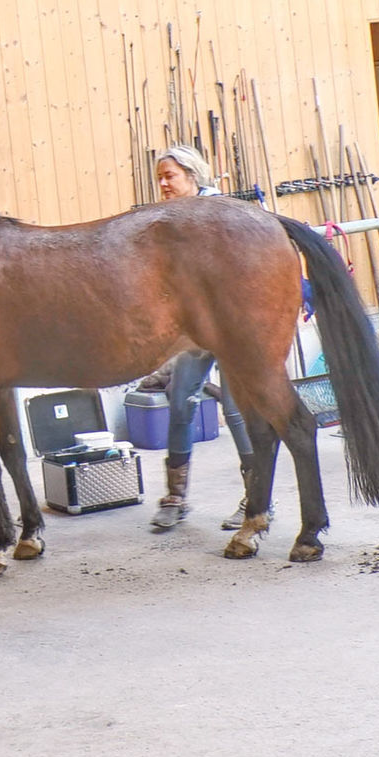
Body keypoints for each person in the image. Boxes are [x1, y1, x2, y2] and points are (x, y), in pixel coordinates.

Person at [147, 144, 261, 533]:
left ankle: (257, 498)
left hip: (229, 328)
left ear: (193, 177)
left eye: (170, 176)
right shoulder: (170, 218)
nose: (163, 183)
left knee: (236, 410)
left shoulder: (220, 215)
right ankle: (175, 495)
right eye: (160, 177)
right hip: (193, 330)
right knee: (180, 402)